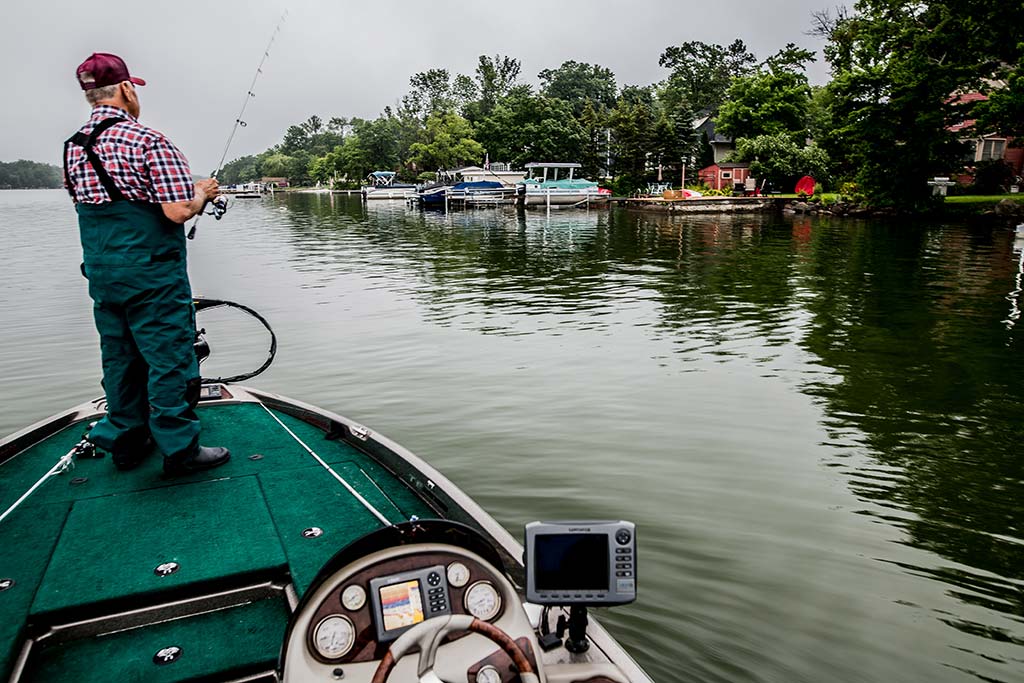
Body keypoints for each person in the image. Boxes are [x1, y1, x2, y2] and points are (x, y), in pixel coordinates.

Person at [63, 52, 230, 476]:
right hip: (153, 273)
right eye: (132, 87)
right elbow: (176, 212)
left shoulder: (73, 148)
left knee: (119, 356)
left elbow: (92, 202)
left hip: (102, 274)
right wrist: (202, 195)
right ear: (125, 89)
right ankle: (179, 450)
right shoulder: (149, 141)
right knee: (168, 356)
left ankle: (126, 441)